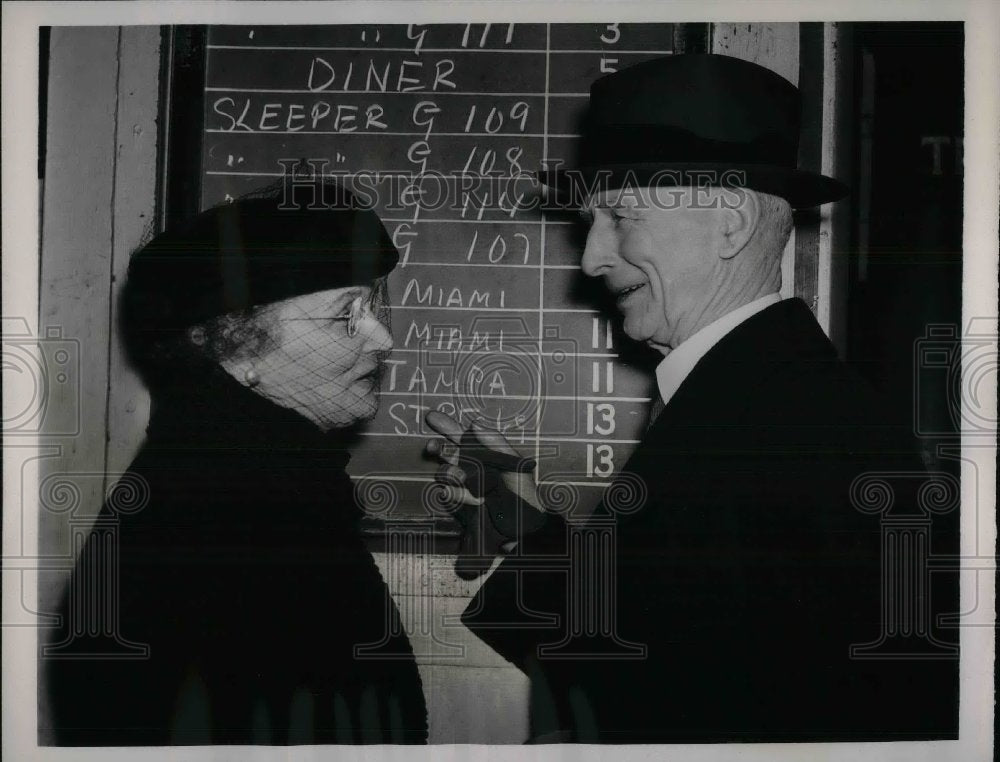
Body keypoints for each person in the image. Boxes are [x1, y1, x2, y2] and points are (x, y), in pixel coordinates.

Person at [426, 54, 958, 742]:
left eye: (620, 215)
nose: (591, 258)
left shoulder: (785, 422)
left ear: (730, 223)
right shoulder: (759, 395)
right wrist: (515, 524)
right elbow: (671, 649)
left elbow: (678, 706)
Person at [43, 181, 428, 744]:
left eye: (373, 305)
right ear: (235, 348)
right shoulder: (239, 512)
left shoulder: (242, 478)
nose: (380, 337)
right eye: (343, 317)